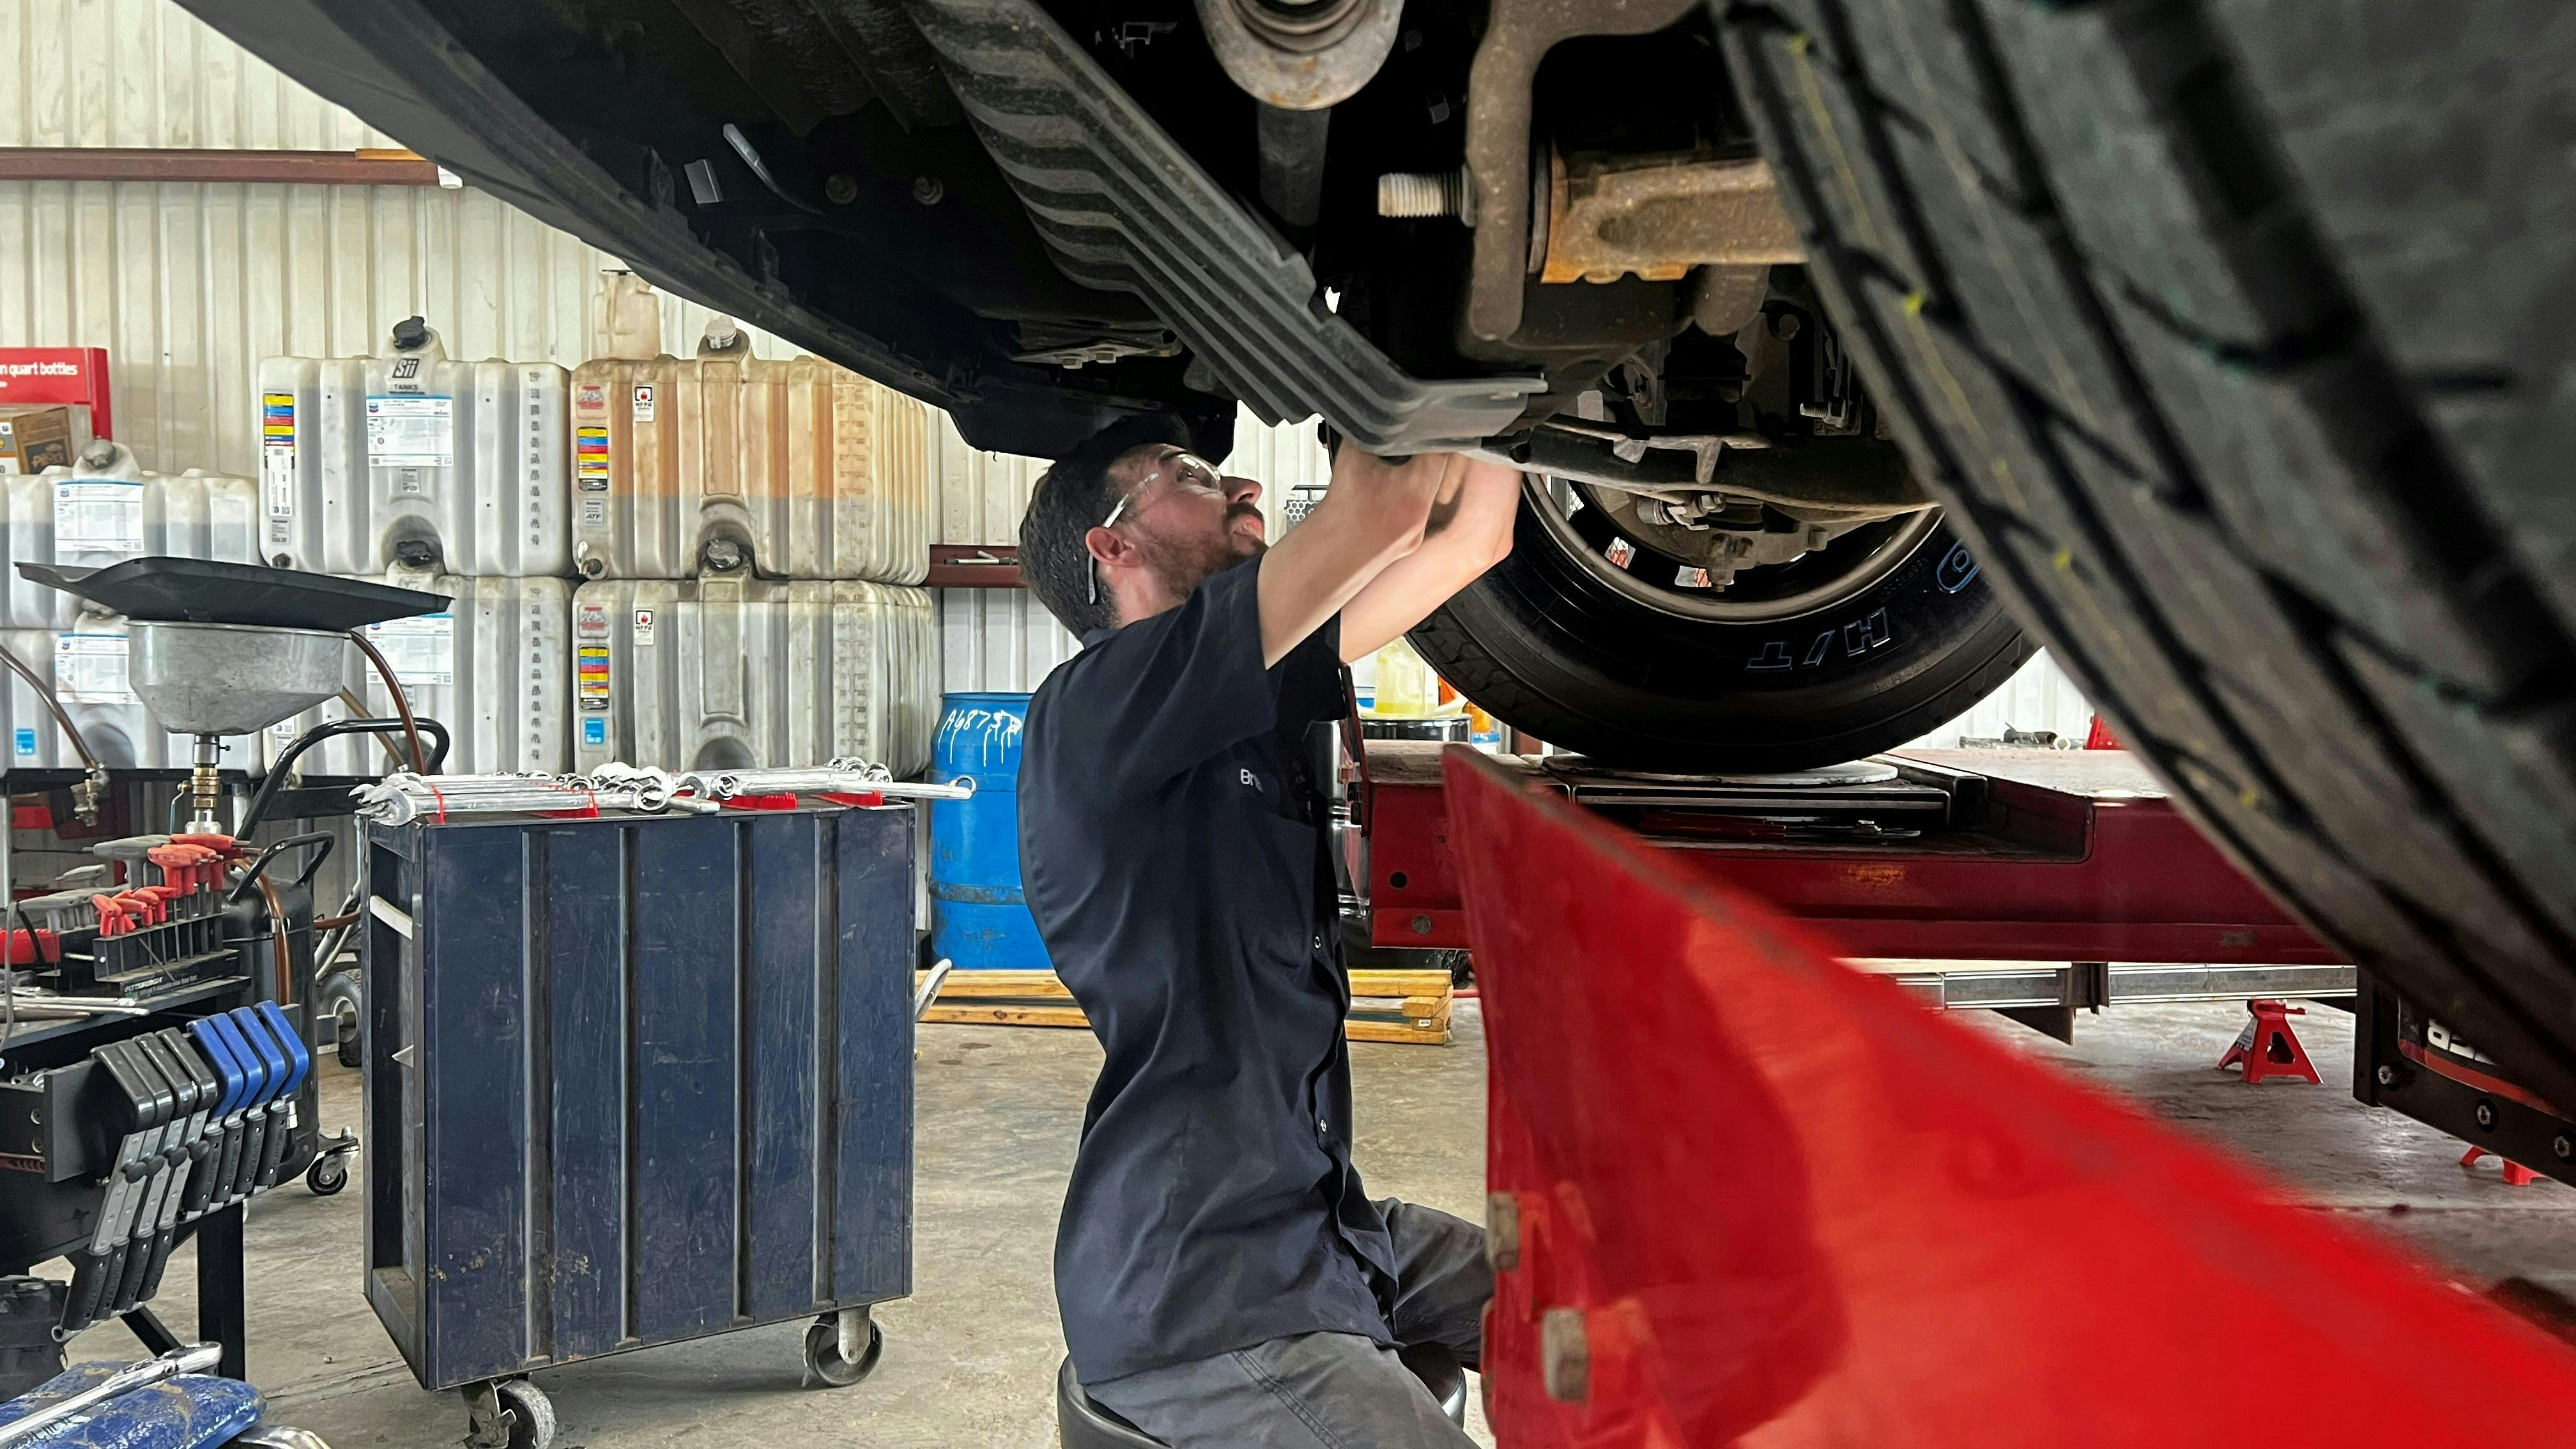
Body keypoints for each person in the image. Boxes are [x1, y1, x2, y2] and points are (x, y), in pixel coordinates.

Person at [1015, 414, 1522, 1447]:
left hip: (1319, 1227)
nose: (1242, 486)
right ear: (1112, 545)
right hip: (1199, 1295)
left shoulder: (1241, 694)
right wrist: (1426, 358)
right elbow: (1380, 509)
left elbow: (1472, 540)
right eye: (1191, 476)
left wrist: (1520, 400)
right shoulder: (1099, 705)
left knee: (1616, 1305)